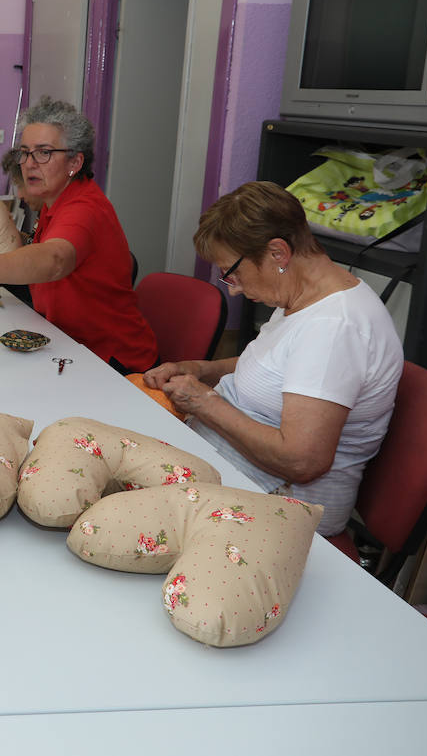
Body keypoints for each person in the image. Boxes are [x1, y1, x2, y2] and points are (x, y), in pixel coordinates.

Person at [144, 181, 402, 536]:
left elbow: (301, 460)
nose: (232, 287)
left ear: (278, 253)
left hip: (281, 510)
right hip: (237, 476)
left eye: (233, 272)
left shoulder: (334, 329)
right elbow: (278, 367)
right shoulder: (302, 295)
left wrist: (204, 403)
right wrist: (204, 370)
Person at [0, 96, 157, 373]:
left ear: (75, 162)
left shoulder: (84, 208)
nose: (29, 164)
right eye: (24, 152)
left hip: (113, 365)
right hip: (68, 346)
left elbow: (55, 259)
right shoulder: (54, 204)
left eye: (44, 152)